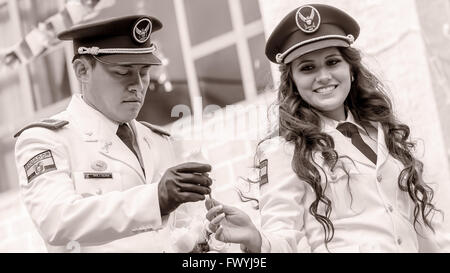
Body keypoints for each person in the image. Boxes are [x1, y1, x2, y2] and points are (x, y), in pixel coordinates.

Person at [205, 4, 450, 253]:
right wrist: (257, 241)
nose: (323, 76)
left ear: (351, 71)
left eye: (332, 62)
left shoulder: (384, 131)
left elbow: (416, 228)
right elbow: (283, 235)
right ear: (293, 82)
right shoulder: (283, 149)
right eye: (307, 68)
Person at [14, 14, 212, 252]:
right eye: (122, 72)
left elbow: (179, 230)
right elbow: (56, 221)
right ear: (82, 71)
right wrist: (154, 199)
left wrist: (201, 240)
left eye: (144, 71)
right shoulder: (45, 140)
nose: (137, 85)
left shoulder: (160, 141)